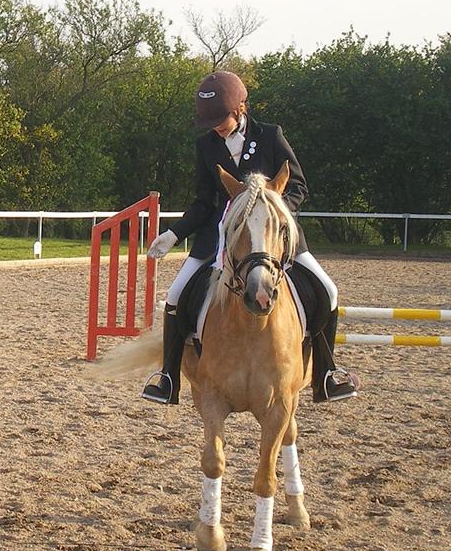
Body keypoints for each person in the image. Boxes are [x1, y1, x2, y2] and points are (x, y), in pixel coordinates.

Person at [141, 70, 361, 406]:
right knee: (175, 295)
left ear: (240, 108)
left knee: (327, 290)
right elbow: (204, 202)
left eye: (221, 118)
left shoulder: (270, 136)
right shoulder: (206, 146)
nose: (216, 126)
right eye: (210, 120)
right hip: (221, 236)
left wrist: (272, 211)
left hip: (274, 235)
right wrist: (174, 233)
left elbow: (298, 185)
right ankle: (168, 378)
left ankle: (326, 374)